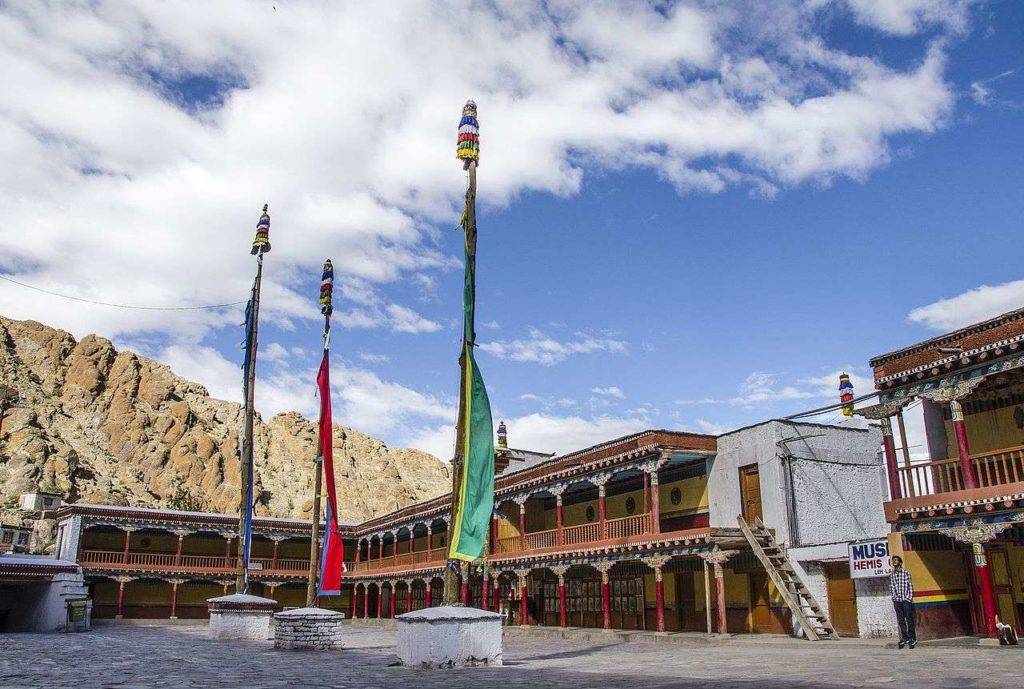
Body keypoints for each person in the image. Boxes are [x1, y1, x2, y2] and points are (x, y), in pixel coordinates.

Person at [890, 555, 916, 648]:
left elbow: (910, 586)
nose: (894, 562)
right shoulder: (892, 575)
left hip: (906, 600)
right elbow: (892, 587)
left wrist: (908, 598)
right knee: (901, 620)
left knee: (909, 619)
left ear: (900, 562)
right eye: (893, 561)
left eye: (896, 560)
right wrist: (894, 598)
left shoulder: (906, 573)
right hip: (897, 601)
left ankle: (912, 638)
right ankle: (905, 638)